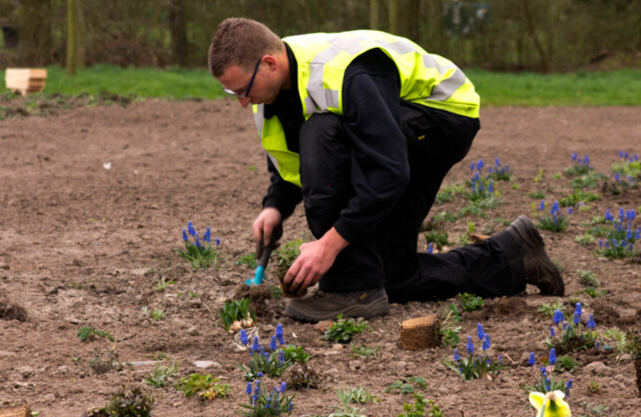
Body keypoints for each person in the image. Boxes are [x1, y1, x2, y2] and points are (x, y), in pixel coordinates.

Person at [208, 18, 564, 322]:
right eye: (231, 92)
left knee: (321, 132)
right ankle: (514, 255)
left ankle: (350, 289)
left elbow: (388, 171)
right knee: (389, 275)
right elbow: (289, 161)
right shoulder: (267, 97)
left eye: (242, 89)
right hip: (394, 131)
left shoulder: (346, 74)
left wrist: (329, 246)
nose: (242, 101)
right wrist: (274, 206)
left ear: (269, 63)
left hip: (440, 118)